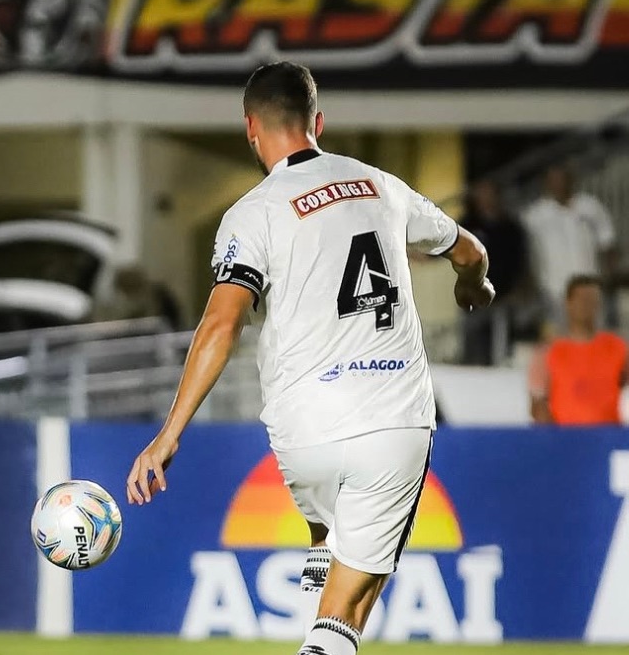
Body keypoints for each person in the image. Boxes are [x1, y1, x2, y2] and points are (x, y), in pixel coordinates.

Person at [125, 62, 493, 655]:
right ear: (317, 122)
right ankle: (325, 621)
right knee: (345, 615)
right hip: (391, 423)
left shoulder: (252, 213)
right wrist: (473, 286)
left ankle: (322, 554)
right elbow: (469, 251)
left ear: (251, 128)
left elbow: (222, 323)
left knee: (329, 521)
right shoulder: (382, 185)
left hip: (303, 434)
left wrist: (169, 434)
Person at [520, 162, 618, 332]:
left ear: (571, 180)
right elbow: (525, 253)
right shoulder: (535, 215)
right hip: (554, 291)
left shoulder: (590, 207)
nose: (558, 184)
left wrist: (609, 277)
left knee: (594, 334)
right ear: (546, 183)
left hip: (590, 286)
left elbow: (607, 242)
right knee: (560, 336)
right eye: (553, 180)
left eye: (562, 179)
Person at [528, 274, 627, 426]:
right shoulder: (548, 351)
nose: (587, 306)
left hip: (609, 434)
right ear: (568, 303)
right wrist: (555, 436)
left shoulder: (617, 347)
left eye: (592, 300)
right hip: (567, 435)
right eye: (582, 300)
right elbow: (538, 403)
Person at [456, 179, 534, 365]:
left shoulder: (511, 228)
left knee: (504, 351)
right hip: (474, 300)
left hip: (505, 301)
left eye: (490, 194)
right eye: (482, 194)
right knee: (475, 348)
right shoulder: (469, 225)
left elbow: (521, 262)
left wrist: (521, 289)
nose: (486, 199)